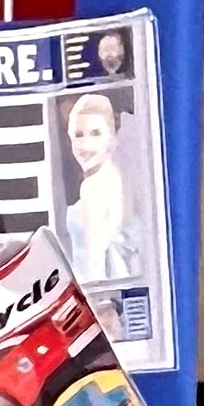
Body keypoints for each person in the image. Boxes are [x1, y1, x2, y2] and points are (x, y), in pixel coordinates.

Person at [62, 88, 140, 283]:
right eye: (79, 135)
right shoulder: (117, 177)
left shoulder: (93, 187)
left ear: (111, 139)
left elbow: (93, 263)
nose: (85, 144)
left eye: (95, 134)